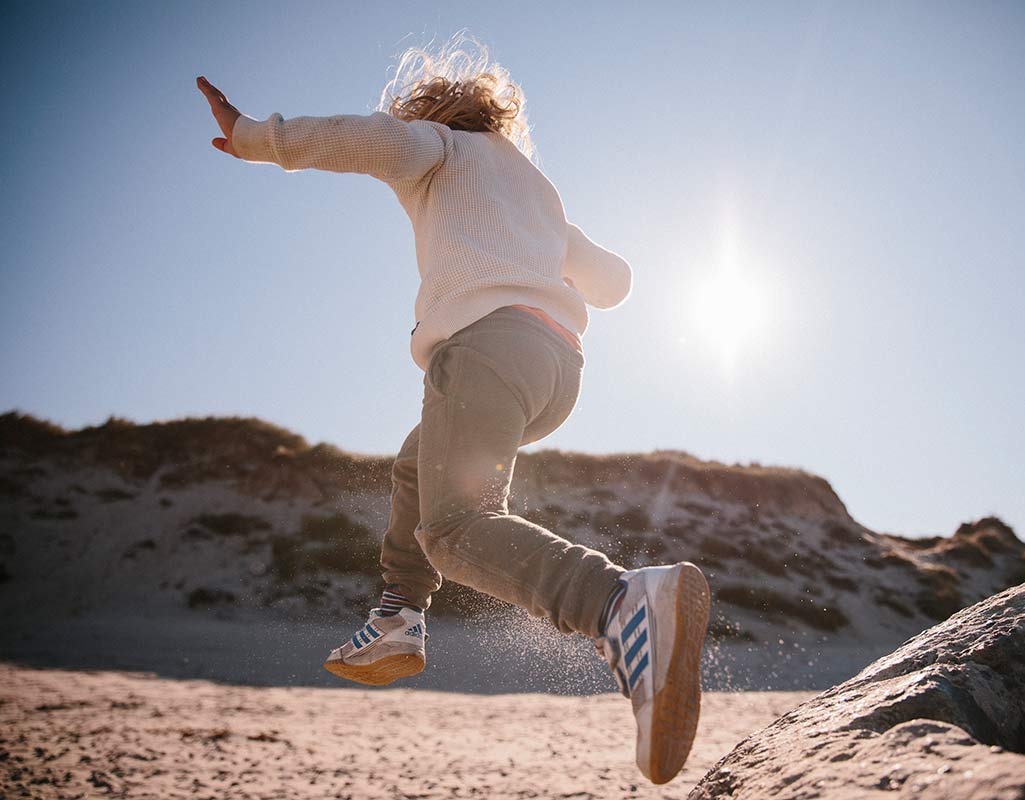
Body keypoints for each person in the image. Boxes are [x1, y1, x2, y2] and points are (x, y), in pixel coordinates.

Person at [197, 36, 709, 784]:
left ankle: (620, 602)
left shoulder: (436, 147)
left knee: (455, 527)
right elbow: (612, 282)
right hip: (557, 368)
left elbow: (362, 143)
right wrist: (572, 255)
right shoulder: (535, 191)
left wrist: (255, 139)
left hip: (485, 347)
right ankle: (398, 617)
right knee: (418, 462)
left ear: (433, 115)